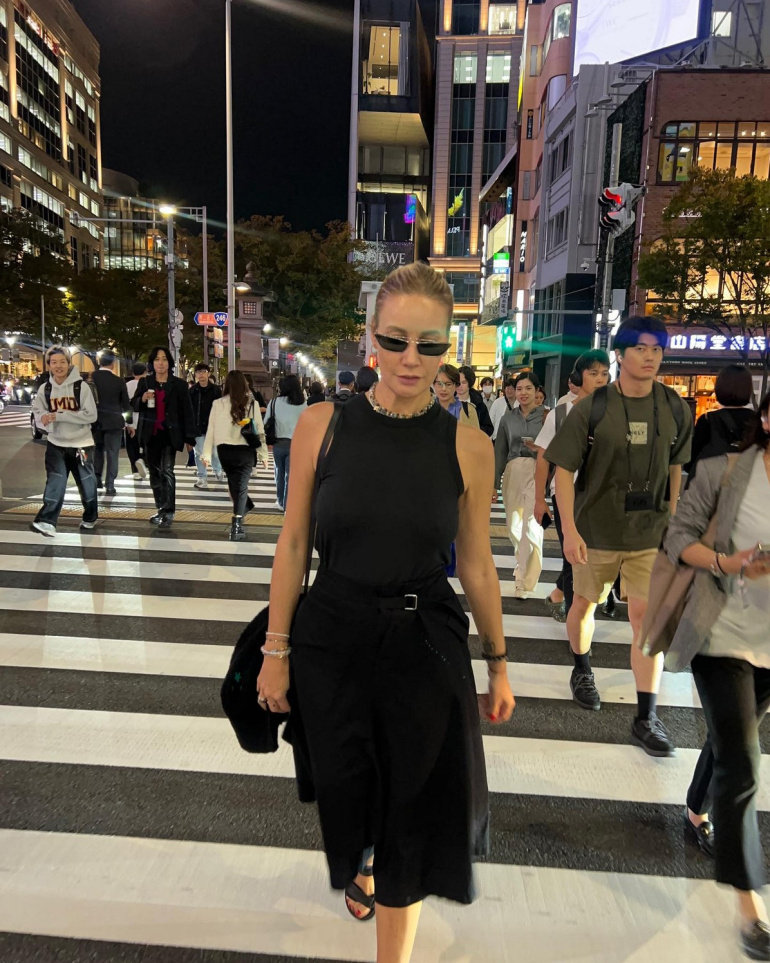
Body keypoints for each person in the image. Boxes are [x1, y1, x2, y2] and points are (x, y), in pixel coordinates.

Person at [256, 261, 514, 963]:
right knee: (349, 789)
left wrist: (498, 663)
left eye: (429, 345)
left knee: (412, 812)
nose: (410, 358)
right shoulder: (323, 425)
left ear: (448, 348)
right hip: (332, 636)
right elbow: (294, 543)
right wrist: (275, 650)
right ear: (371, 336)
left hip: (423, 642)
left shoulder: (468, 445)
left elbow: (477, 563)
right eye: (395, 340)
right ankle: (364, 854)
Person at [546, 315, 693, 749]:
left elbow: (676, 466)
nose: (650, 357)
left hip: (650, 533)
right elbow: (562, 471)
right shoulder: (593, 408)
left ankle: (646, 716)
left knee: (645, 619)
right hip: (596, 531)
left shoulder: (674, 407)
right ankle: (582, 668)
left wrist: (674, 518)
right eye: (640, 348)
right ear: (620, 354)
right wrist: (569, 530)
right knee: (583, 605)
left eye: (657, 349)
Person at [663, 392, 770, 961]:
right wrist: (728, 563)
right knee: (744, 762)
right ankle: (750, 907)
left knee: (733, 736)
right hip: (721, 633)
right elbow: (679, 537)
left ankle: (695, 807)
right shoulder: (723, 472)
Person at [534, 351, 610, 622]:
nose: (600, 379)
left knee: (598, 554)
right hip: (567, 493)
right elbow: (543, 457)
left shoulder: (616, 410)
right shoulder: (562, 413)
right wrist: (539, 499)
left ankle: (564, 595)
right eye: (593, 373)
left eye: (604, 373)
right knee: (572, 555)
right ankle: (573, 616)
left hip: (604, 495)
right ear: (579, 377)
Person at [30, 345, 98, 537]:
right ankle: (47, 521)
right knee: (55, 481)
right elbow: (38, 411)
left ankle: (90, 516)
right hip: (56, 443)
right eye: (54, 362)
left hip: (81, 444)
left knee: (86, 484)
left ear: (69, 363)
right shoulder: (46, 388)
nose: (58, 366)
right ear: (49, 365)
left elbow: (91, 415)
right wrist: (43, 417)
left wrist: (60, 415)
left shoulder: (81, 387)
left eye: (62, 362)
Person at [131, 346, 197, 530]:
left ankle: (169, 511)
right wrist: (142, 399)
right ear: (152, 363)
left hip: (170, 434)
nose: (161, 363)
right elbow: (133, 404)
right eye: (157, 359)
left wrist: (190, 438)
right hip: (150, 434)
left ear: (169, 362)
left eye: (164, 359)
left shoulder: (179, 385)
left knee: (167, 470)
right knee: (154, 473)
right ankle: (161, 507)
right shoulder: (145, 382)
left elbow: (187, 411)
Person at [494, 372, 546, 599]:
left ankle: (523, 580)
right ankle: (522, 564)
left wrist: (539, 449)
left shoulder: (547, 417)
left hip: (537, 470)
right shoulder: (508, 419)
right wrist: (493, 483)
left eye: (528, 388)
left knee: (531, 526)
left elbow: (557, 448)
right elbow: (500, 451)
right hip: (513, 470)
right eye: (519, 389)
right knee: (514, 526)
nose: (523, 393)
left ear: (537, 391)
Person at [203, 369, 267, 541]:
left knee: (234, 483)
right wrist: (263, 454)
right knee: (241, 486)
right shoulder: (251, 403)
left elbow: (211, 429)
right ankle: (236, 525)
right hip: (244, 450)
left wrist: (206, 454)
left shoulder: (218, 403)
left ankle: (243, 508)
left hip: (224, 450)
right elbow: (259, 430)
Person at [686, 364, 756, 484]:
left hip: (712, 485)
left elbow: (690, 463)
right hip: (747, 486)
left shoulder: (707, 420)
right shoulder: (758, 421)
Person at [91, 350, 130, 497]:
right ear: (113, 363)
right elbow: (125, 404)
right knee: (112, 453)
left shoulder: (91, 379)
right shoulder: (119, 381)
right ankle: (110, 485)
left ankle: (96, 479)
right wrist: (130, 423)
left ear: (99, 362)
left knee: (97, 450)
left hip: (95, 421)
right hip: (114, 422)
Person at [265, 374, 305, 512]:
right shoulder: (303, 404)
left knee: (279, 473)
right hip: (297, 444)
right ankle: (288, 504)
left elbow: (266, 422)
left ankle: (280, 501)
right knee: (290, 475)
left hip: (278, 444)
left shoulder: (274, 402)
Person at [189, 363, 223, 490]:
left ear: (208, 373)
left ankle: (217, 469)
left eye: (203, 371)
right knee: (199, 453)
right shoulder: (192, 391)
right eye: (198, 372)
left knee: (214, 452)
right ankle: (202, 477)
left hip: (213, 427)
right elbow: (189, 409)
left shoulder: (216, 390)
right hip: (197, 427)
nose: (201, 375)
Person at [125, 362, 147, 480]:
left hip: (131, 420)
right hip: (145, 420)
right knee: (144, 444)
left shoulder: (127, 385)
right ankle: (142, 461)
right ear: (145, 372)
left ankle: (135, 470)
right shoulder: (148, 385)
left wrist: (127, 423)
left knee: (131, 446)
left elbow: (125, 405)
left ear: (133, 373)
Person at [458, 365, 493, 436]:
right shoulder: (449, 401)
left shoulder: (478, 404)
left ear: (470, 383)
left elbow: (489, 428)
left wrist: (475, 430)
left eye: (464, 382)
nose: (460, 385)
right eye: (457, 382)